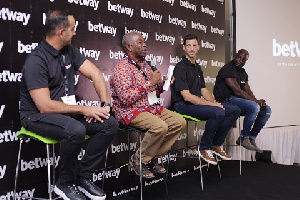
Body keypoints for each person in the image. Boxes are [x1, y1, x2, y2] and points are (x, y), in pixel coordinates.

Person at [20, 10, 119, 200]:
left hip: (64, 113)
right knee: (76, 129)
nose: (75, 33)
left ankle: (83, 177)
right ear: (61, 32)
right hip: (36, 116)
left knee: (109, 123)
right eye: (72, 29)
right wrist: (84, 109)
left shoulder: (69, 52)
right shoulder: (36, 60)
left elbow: (96, 74)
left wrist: (105, 105)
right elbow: (45, 106)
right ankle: (64, 183)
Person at [110, 32, 185, 178]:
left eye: (144, 42)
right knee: (160, 127)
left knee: (179, 122)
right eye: (140, 42)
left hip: (149, 107)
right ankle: (138, 160)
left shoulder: (145, 65)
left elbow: (153, 92)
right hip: (130, 110)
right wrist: (150, 83)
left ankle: (150, 158)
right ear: (129, 47)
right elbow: (125, 98)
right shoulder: (122, 68)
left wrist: (162, 84)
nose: (144, 45)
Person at [171, 34, 240, 165]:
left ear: (198, 47)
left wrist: (215, 103)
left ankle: (215, 145)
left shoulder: (197, 67)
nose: (191, 49)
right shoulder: (180, 68)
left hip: (194, 104)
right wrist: (212, 105)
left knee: (233, 110)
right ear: (184, 48)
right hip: (182, 105)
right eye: (189, 46)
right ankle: (204, 148)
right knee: (217, 112)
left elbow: (203, 90)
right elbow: (186, 96)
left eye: (194, 45)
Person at [213, 49, 271, 152]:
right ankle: (244, 137)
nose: (240, 61)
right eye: (239, 57)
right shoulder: (227, 69)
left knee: (266, 110)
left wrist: (258, 101)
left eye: (244, 60)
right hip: (225, 101)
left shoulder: (243, 72)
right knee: (254, 106)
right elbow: (237, 91)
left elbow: (248, 91)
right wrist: (256, 102)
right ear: (235, 56)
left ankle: (251, 138)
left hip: (237, 101)